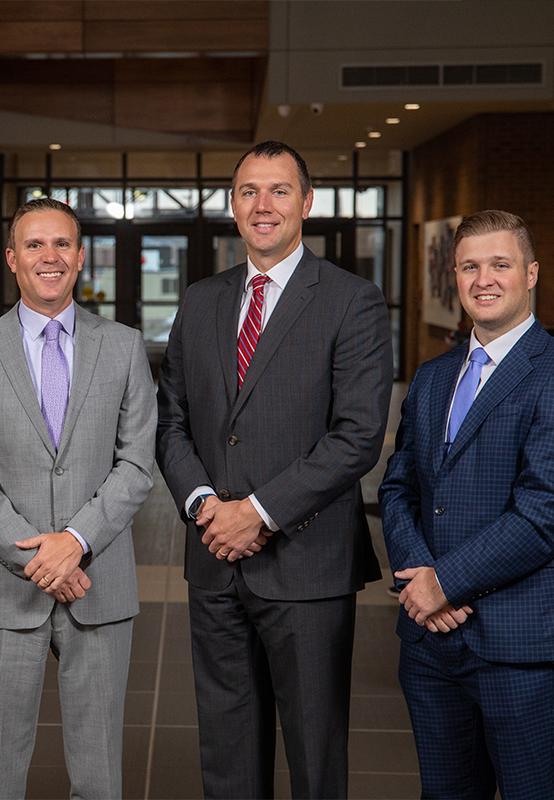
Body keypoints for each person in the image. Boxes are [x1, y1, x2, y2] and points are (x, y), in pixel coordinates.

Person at [156, 141, 393, 798]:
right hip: (213, 563)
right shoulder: (202, 300)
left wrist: (256, 513)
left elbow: (357, 437)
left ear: (306, 203)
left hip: (307, 563)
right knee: (228, 754)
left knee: (315, 758)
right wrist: (206, 505)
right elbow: (170, 417)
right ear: (233, 207)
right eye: (249, 192)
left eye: (279, 190)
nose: (264, 206)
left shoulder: (352, 300)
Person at [379, 210, 554, 799]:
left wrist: (444, 584)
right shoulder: (432, 378)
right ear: (454, 275)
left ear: (530, 274)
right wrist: (420, 581)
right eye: (470, 266)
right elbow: (398, 486)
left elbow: (545, 514)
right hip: (431, 646)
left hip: (518, 644)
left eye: (500, 265)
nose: (485, 279)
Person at [0, 198, 156, 798]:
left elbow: (136, 463)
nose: (50, 257)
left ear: (82, 257)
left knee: (98, 774)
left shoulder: (123, 346)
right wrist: (41, 560)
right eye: (34, 245)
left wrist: (76, 543)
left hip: (100, 586)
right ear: (12, 259)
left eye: (62, 244)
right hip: (10, 590)